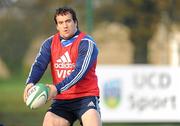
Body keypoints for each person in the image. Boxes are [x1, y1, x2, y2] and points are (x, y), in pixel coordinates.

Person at [23, 7, 101, 126]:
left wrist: (56, 88)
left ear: (75, 22)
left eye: (68, 21)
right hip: (62, 100)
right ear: (57, 26)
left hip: (85, 97)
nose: (65, 26)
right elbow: (39, 64)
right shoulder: (49, 43)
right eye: (61, 22)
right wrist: (30, 82)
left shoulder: (86, 43)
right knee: (49, 122)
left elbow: (79, 72)